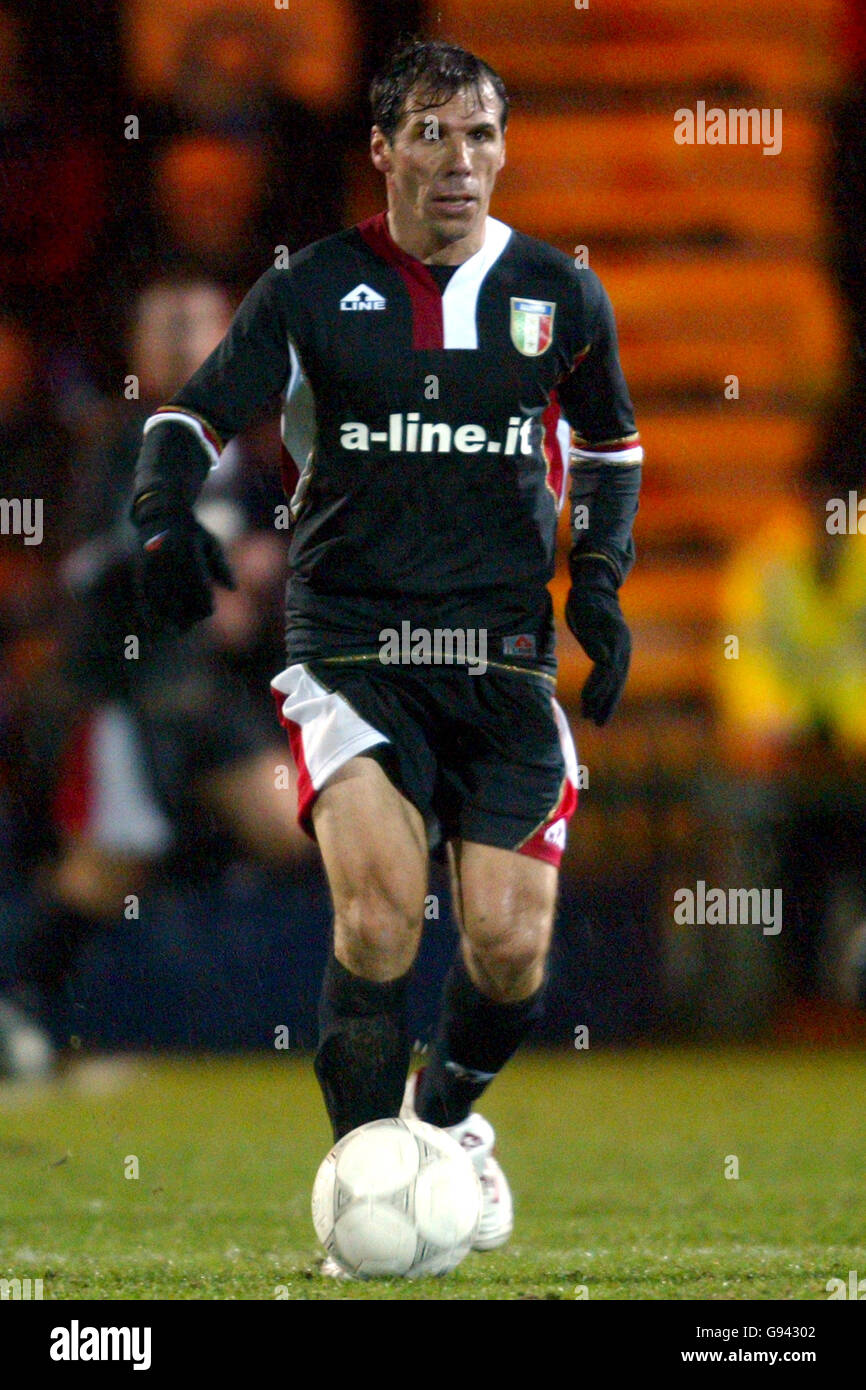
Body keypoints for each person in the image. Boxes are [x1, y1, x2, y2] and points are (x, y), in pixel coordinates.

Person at [128, 38, 642, 1266]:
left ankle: (445, 1125)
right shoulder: (309, 290)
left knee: (511, 946)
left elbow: (611, 450)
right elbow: (194, 410)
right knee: (374, 921)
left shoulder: (558, 295)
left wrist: (602, 591)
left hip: (503, 657)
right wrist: (160, 505)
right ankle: (361, 1183)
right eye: (430, 133)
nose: (458, 161)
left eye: (479, 135)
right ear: (383, 148)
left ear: (501, 148)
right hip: (350, 647)